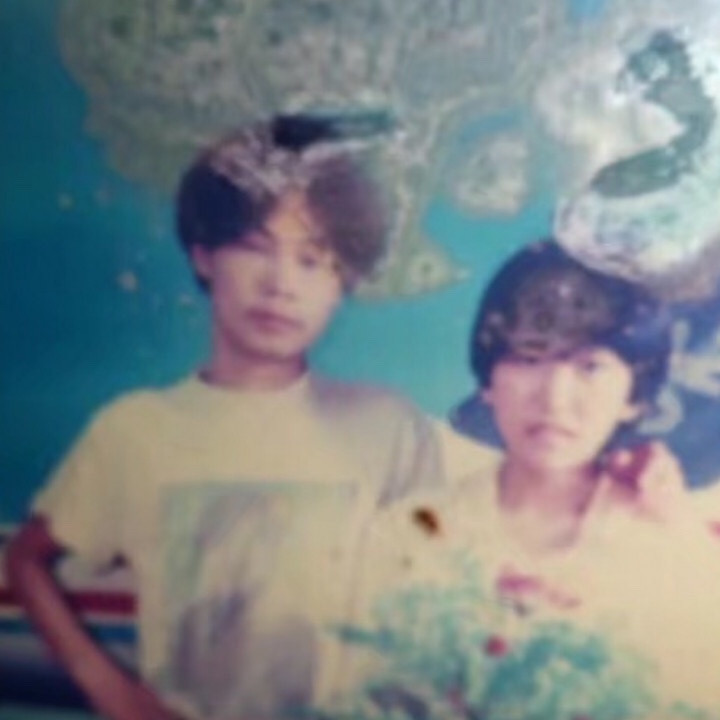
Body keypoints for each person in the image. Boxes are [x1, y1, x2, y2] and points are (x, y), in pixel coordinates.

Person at [4, 116, 446, 720]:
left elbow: (438, 595)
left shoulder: (389, 427)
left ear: (342, 283)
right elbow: (25, 559)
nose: (280, 284)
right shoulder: (136, 431)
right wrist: (110, 689)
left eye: (312, 260)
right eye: (256, 248)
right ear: (205, 254)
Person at [332, 240, 720, 718]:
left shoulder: (666, 545)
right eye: (530, 358)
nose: (555, 397)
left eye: (590, 367)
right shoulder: (409, 535)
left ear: (634, 396)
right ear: (489, 381)